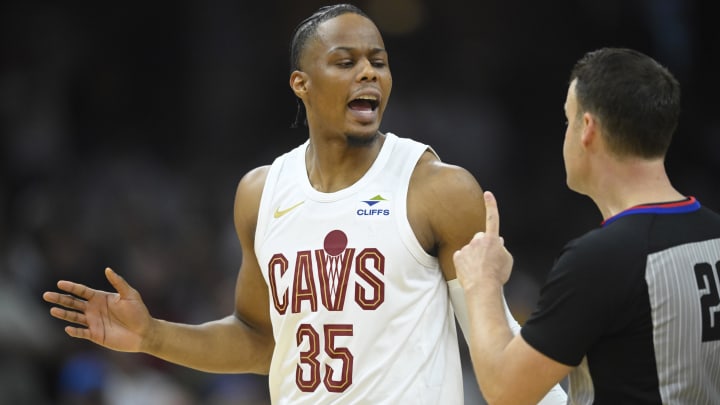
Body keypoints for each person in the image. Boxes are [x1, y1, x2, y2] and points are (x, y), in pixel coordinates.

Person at [43, 4, 567, 404]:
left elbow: (499, 345)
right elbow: (258, 340)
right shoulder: (261, 193)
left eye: (378, 62)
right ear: (302, 83)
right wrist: (154, 336)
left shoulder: (437, 188)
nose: (368, 73)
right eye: (346, 61)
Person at [453, 47, 720, 405]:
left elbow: (505, 390)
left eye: (568, 120)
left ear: (588, 129)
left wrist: (482, 282)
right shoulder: (714, 232)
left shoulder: (602, 259)